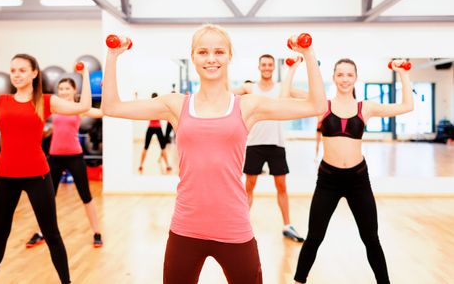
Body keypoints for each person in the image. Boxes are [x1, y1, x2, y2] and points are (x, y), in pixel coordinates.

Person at [101, 24, 326, 284]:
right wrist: (113, 56)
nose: (211, 58)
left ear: (230, 56)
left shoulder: (247, 105)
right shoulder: (175, 104)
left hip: (234, 227)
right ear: (193, 57)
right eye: (203, 52)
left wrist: (308, 54)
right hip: (186, 227)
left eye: (219, 52)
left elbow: (316, 105)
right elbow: (112, 106)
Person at [0, 54, 92, 284]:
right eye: (13, 70)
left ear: (34, 73)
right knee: (0, 234)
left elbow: (84, 106)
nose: (16, 74)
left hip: (37, 175)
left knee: (52, 235)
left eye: (22, 70)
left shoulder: (46, 101)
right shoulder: (1, 100)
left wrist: (85, 75)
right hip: (6, 176)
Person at [282, 58, 413, 284]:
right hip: (328, 181)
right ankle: (297, 281)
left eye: (349, 75)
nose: (344, 79)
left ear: (355, 78)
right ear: (333, 77)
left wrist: (402, 72)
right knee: (314, 237)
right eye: (340, 75)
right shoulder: (322, 103)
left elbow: (406, 106)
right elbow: (285, 96)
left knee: (371, 238)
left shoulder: (366, 107)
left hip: (358, 180)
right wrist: (292, 68)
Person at [26, 77, 103, 249]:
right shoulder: (53, 108)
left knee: (86, 196)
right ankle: (41, 232)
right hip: (55, 157)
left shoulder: (79, 108)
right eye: (61, 88)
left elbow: (100, 113)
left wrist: (104, 96)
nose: (63, 91)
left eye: (67, 88)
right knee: (47, 198)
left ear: (74, 91)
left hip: (75, 156)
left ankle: (97, 232)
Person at [233, 54, 304, 242]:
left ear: (273, 67)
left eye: (269, 65)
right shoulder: (250, 88)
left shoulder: (282, 88)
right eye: (263, 64)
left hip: (276, 144)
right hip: (254, 144)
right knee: (249, 186)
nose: (266, 67)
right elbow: (228, 93)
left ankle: (287, 225)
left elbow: (305, 95)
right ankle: (242, 224)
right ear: (259, 67)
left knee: (281, 186)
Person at [138, 92, 172, 173]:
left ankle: (167, 165)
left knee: (162, 147)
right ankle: (141, 165)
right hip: (154, 128)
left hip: (155, 128)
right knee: (147, 147)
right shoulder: (153, 107)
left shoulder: (155, 107)